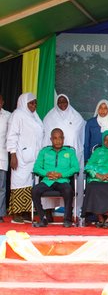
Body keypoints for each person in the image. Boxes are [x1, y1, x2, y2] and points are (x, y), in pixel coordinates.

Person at [42, 94, 86, 220]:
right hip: (53, 156)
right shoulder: (49, 117)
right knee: (49, 181)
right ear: (57, 103)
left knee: (72, 184)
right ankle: (48, 211)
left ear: (68, 102)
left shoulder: (77, 117)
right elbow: (45, 137)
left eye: (64, 102)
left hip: (71, 156)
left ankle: (73, 211)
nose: (62, 104)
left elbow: (81, 137)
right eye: (60, 102)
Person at [6, 93, 44, 223]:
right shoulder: (18, 115)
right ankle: (17, 213)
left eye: (35, 103)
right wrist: (13, 154)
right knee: (19, 182)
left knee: (31, 184)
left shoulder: (35, 117)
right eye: (31, 103)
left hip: (34, 157)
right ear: (23, 103)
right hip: (20, 157)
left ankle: (28, 212)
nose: (34, 106)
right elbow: (12, 135)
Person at [32, 129, 78, 227]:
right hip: (47, 180)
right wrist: (47, 173)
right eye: (55, 138)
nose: (58, 141)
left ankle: (67, 219)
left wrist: (62, 175)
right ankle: (42, 218)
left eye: (60, 138)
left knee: (68, 190)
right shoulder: (44, 151)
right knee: (35, 190)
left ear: (63, 139)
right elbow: (36, 168)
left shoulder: (70, 152)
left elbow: (75, 167)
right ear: (51, 139)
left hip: (62, 180)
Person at [0, 94, 11, 223]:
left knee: (1, 187)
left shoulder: (8, 116)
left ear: (3, 102)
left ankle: (0, 213)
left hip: (1, 156)